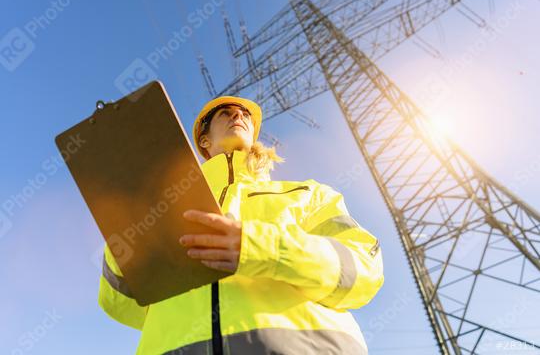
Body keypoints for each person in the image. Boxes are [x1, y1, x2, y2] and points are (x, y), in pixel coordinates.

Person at [98, 96, 384, 354]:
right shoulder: (164, 209)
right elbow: (122, 304)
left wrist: (261, 248)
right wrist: (128, 228)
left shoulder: (309, 194)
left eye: (244, 114)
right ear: (204, 141)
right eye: (225, 113)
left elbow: (364, 270)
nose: (238, 116)